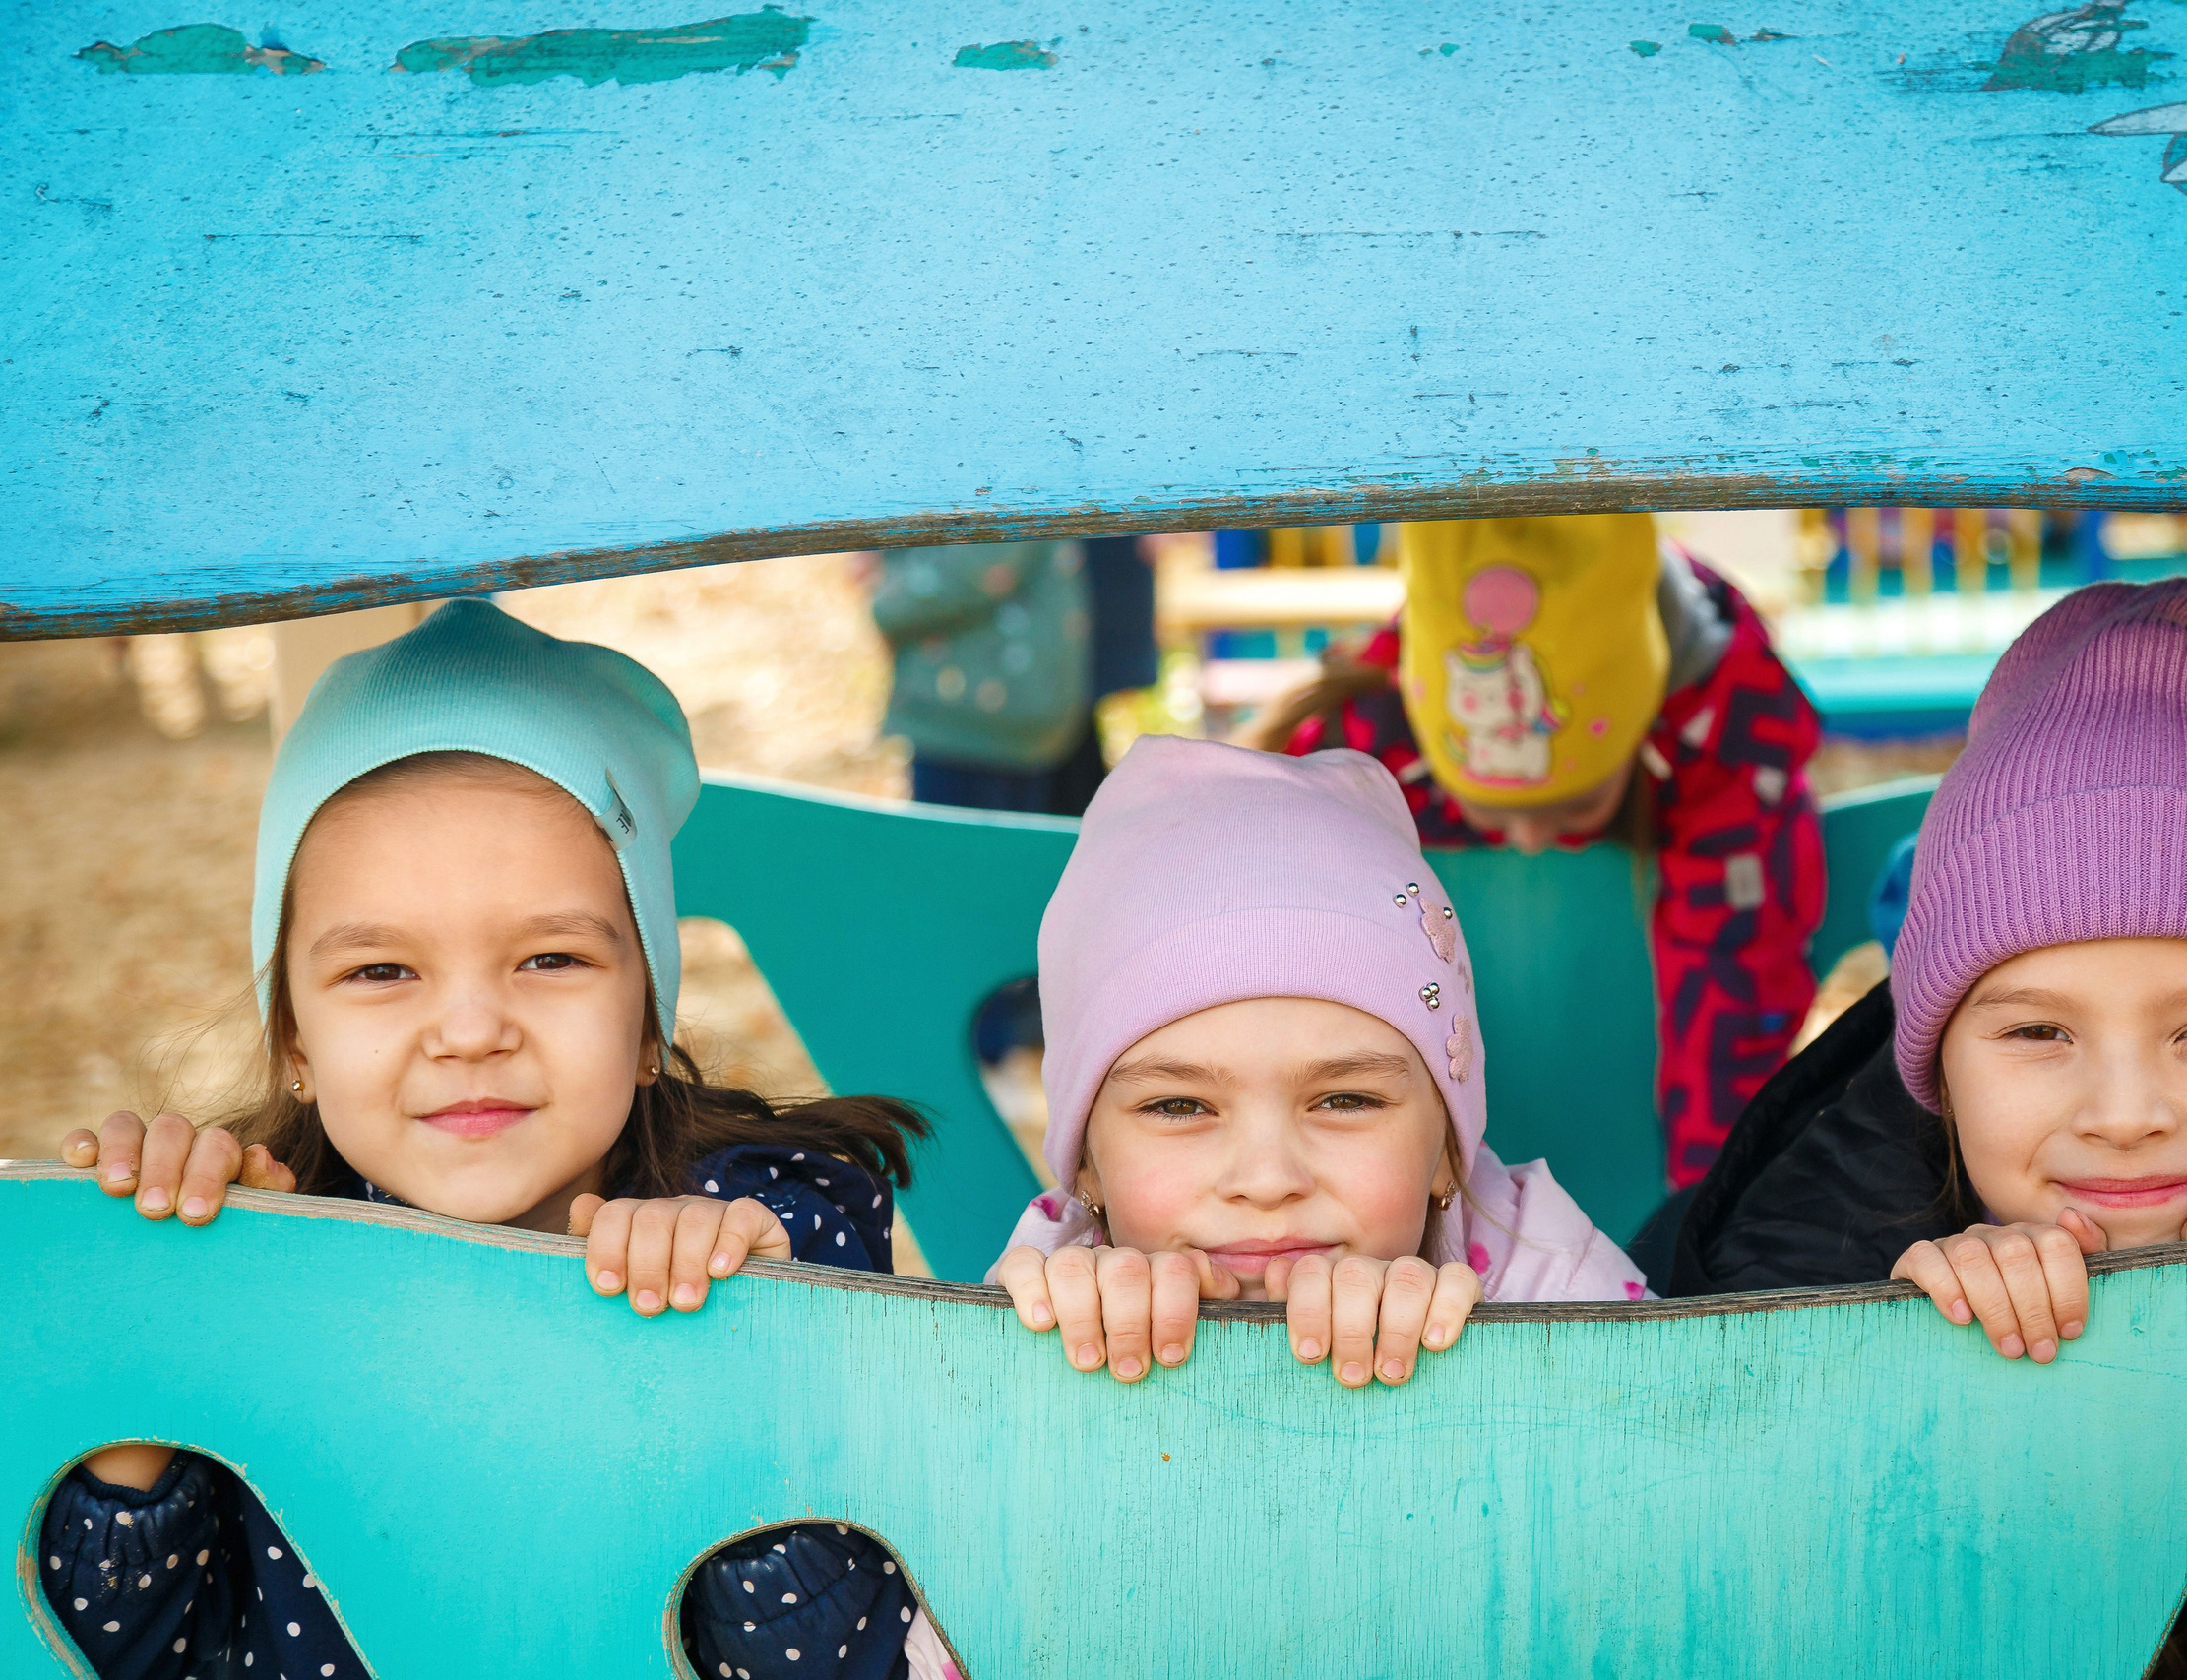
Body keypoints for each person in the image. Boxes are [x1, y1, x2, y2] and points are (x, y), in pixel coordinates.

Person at [44, 600, 955, 1680]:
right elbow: (116, 1653)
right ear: (295, 1036)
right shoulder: (242, 1251)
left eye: (550, 959)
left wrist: (739, 1356)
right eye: (382, 971)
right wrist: (139, 1350)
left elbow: (826, 1662)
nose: (471, 1031)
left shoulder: (778, 1219)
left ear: (649, 1020)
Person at [1663, 576, 2187, 1680]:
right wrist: (1918, 1362)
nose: (2122, 1118)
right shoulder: (1799, 1248)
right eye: (2037, 1036)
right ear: (1941, 1075)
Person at [991, 735, 1649, 1387]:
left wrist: (1488, 1366)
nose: (1269, 1178)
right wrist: (1057, 1349)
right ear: (1084, 1167)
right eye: (1178, 1105)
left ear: (1451, 1148)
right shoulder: (1055, 1288)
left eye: (1345, 1099)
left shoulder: (1559, 1297)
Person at [1260, 515, 1823, 1190]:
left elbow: (1736, 984)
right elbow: (1280, 915)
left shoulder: (1723, 741)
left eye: (1577, 805)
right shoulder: (1371, 738)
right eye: (1491, 812)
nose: (1528, 844)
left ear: (1644, 730)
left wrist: (1711, 1205)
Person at [871, 540, 1094, 814]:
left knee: (967, 848)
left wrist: (884, 597)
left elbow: (981, 564)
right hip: (981, 709)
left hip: (980, 721)